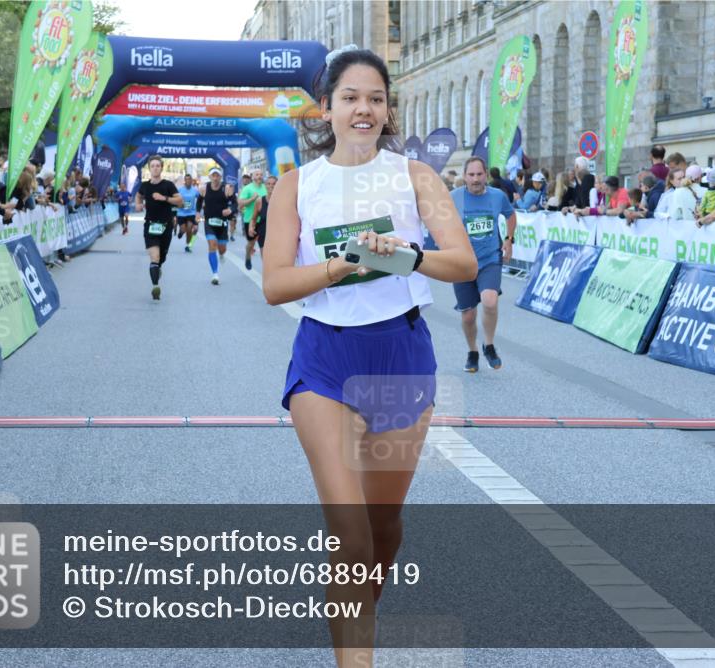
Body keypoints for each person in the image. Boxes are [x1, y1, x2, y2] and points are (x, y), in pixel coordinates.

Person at [262, 46, 475, 668]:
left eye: (375, 99)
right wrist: (338, 266)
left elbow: (461, 264)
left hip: (401, 356)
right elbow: (276, 283)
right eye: (350, 97)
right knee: (349, 533)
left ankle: (360, 610)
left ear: (388, 110)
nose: (363, 109)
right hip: (325, 359)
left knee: (382, 532)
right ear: (325, 107)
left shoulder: (416, 177)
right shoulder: (296, 186)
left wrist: (403, 256)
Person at [451, 156, 516, 372]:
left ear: (486, 175)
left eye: (479, 174)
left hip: (490, 259)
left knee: (489, 301)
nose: (476, 179)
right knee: (468, 315)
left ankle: (488, 345)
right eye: (471, 175)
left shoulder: (498, 196)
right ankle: (472, 351)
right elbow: (438, 221)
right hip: (462, 262)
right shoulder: (454, 198)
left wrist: (509, 239)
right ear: (464, 176)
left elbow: (510, 215)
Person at [134, 155, 182, 300]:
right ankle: (155, 287)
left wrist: (165, 198)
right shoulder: (145, 185)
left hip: (166, 226)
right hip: (150, 226)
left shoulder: (168, 185)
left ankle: (157, 268)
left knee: (161, 258)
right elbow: (138, 196)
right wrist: (138, 204)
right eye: (153, 165)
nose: (155, 168)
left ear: (161, 168)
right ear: (149, 168)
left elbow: (180, 201)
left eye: (158, 165)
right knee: (154, 257)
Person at [195, 166, 233, 285]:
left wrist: (230, 209)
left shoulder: (226, 188)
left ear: (220, 177)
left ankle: (221, 255)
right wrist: (197, 213)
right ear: (210, 177)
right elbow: (199, 201)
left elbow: (235, 203)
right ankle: (215, 274)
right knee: (212, 245)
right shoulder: (204, 188)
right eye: (213, 175)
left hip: (222, 222)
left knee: (222, 249)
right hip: (209, 221)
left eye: (218, 176)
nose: (215, 178)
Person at [238, 169, 267, 270]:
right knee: (251, 243)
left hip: (263, 220)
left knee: (264, 245)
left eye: (261, 174)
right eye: (257, 174)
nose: (259, 176)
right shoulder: (247, 188)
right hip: (250, 220)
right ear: (253, 177)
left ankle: (267, 268)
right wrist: (252, 199)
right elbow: (240, 203)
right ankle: (247, 257)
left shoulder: (265, 188)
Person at [249, 174, 277, 257]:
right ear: (265, 185)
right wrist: (251, 227)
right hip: (263, 235)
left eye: (274, 184)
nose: (271, 186)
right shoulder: (259, 201)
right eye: (268, 184)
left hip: (279, 235)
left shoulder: (283, 200)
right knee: (266, 261)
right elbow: (253, 219)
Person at [175, 174, 199, 252]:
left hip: (191, 213)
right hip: (181, 213)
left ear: (192, 181)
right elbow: (176, 200)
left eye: (189, 179)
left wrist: (200, 210)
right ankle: (181, 232)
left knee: (191, 228)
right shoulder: (180, 190)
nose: (188, 181)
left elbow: (200, 199)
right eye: (186, 179)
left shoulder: (195, 190)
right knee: (183, 229)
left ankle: (189, 245)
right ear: (184, 181)